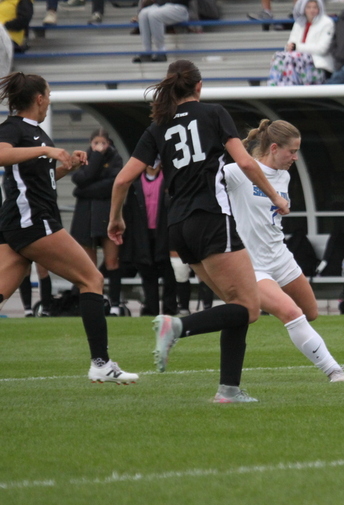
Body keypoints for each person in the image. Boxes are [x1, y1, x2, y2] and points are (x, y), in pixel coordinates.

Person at [108, 59, 290, 403]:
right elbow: (247, 162)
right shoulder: (214, 114)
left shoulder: (157, 127)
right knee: (250, 309)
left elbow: (122, 179)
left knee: (236, 305)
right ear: (199, 87)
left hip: (177, 226)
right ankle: (177, 326)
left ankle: (228, 390)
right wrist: (276, 197)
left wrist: (115, 219)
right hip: (210, 218)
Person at [0, 72, 138, 383]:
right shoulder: (14, 127)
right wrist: (45, 152)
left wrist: (65, 167)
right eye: (47, 95)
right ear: (39, 99)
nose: (48, 100)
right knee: (92, 278)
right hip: (32, 221)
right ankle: (102, 364)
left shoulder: (36, 133)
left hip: (19, 221)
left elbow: (40, 182)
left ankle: (102, 363)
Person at [224, 119, 344, 382]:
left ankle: (265, 307)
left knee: (310, 312)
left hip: (280, 257)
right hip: (252, 265)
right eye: (292, 151)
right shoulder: (236, 172)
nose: (296, 157)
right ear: (275, 148)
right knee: (291, 314)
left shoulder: (285, 175)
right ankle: (334, 371)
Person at [70, 128, 125, 316]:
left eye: (103, 143)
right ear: (90, 143)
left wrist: (83, 190)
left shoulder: (116, 159)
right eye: (95, 143)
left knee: (112, 262)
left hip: (107, 216)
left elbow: (111, 185)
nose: (99, 147)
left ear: (109, 143)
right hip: (85, 217)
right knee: (89, 267)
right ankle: (94, 303)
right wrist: (96, 159)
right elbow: (79, 178)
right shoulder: (85, 158)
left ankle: (116, 304)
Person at [119, 158, 178, 316]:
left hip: (164, 234)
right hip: (142, 234)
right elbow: (129, 212)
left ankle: (169, 309)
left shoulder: (168, 181)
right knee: (147, 273)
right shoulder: (135, 184)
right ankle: (151, 309)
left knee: (168, 272)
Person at [267, 0, 334, 86]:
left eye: (315, 7)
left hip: (317, 65)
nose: (312, 10)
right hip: (296, 61)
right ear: (303, 9)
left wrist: (297, 47)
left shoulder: (327, 23)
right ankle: (273, 86)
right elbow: (291, 44)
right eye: (308, 7)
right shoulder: (299, 23)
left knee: (293, 58)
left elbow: (322, 49)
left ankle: (288, 87)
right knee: (278, 56)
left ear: (319, 9)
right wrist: (289, 47)